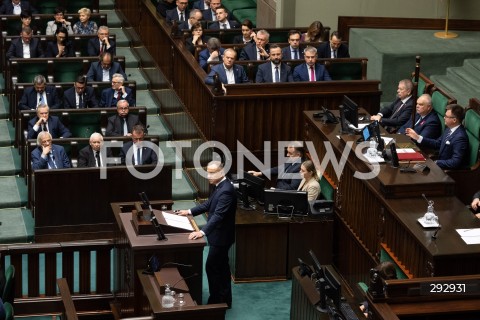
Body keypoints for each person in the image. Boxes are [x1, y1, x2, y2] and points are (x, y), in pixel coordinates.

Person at [178, 161, 236, 308]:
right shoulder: (218, 186)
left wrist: (202, 232)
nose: (208, 176)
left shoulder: (226, 190)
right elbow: (209, 204)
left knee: (212, 267)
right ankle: (223, 300)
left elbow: (218, 216)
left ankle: (216, 302)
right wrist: (189, 211)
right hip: (218, 235)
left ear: (221, 173)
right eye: (208, 172)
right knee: (221, 268)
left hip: (221, 237)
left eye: (212, 172)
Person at [406, 104, 469, 170]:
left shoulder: (460, 137)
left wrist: (436, 162)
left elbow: (455, 162)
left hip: (449, 172)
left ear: (454, 120)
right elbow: (437, 143)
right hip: (440, 166)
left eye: (446, 116)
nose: (444, 118)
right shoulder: (449, 129)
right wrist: (418, 137)